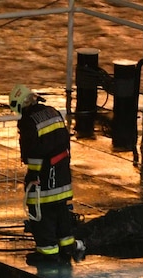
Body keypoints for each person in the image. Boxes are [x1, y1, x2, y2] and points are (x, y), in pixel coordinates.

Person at [9, 84, 85, 265]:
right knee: (61, 211)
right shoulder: (53, 112)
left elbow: (32, 154)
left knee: (40, 214)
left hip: (44, 177)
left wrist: (32, 177)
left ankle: (48, 253)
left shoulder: (28, 122)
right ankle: (66, 247)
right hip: (62, 172)